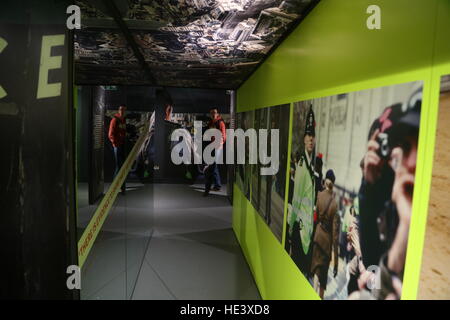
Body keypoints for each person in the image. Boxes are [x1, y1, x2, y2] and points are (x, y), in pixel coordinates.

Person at [352, 87, 422, 300]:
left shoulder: (401, 194)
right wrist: (369, 187)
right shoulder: (397, 198)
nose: (410, 162)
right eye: (407, 147)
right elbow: (374, 256)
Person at [287, 105, 317, 276]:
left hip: (306, 231)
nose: (311, 139)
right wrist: (291, 228)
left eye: (313, 136)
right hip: (300, 231)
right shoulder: (302, 166)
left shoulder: (310, 165)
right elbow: (296, 198)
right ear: (304, 139)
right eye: (308, 136)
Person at [310, 169, 340, 299]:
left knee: (316, 271)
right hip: (327, 243)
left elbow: (315, 217)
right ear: (333, 184)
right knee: (323, 277)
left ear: (325, 182)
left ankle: (311, 294)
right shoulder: (334, 204)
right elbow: (335, 235)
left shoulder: (319, 195)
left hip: (317, 237)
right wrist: (336, 262)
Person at [204, 108, 226, 196]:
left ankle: (215, 186)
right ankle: (217, 185)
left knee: (213, 165)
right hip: (212, 146)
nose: (213, 114)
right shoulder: (211, 123)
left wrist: (219, 144)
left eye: (215, 113)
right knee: (214, 165)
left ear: (217, 113)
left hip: (217, 147)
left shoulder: (220, 123)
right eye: (212, 113)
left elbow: (224, 136)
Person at [108, 105, 127, 194]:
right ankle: (117, 187)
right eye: (121, 109)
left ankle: (120, 187)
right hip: (117, 146)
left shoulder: (123, 120)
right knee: (119, 167)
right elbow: (110, 134)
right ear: (118, 110)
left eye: (124, 110)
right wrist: (115, 144)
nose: (122, 111)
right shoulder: (115, 120)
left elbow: (122, 132)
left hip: (122, 146)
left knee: (121, 167)